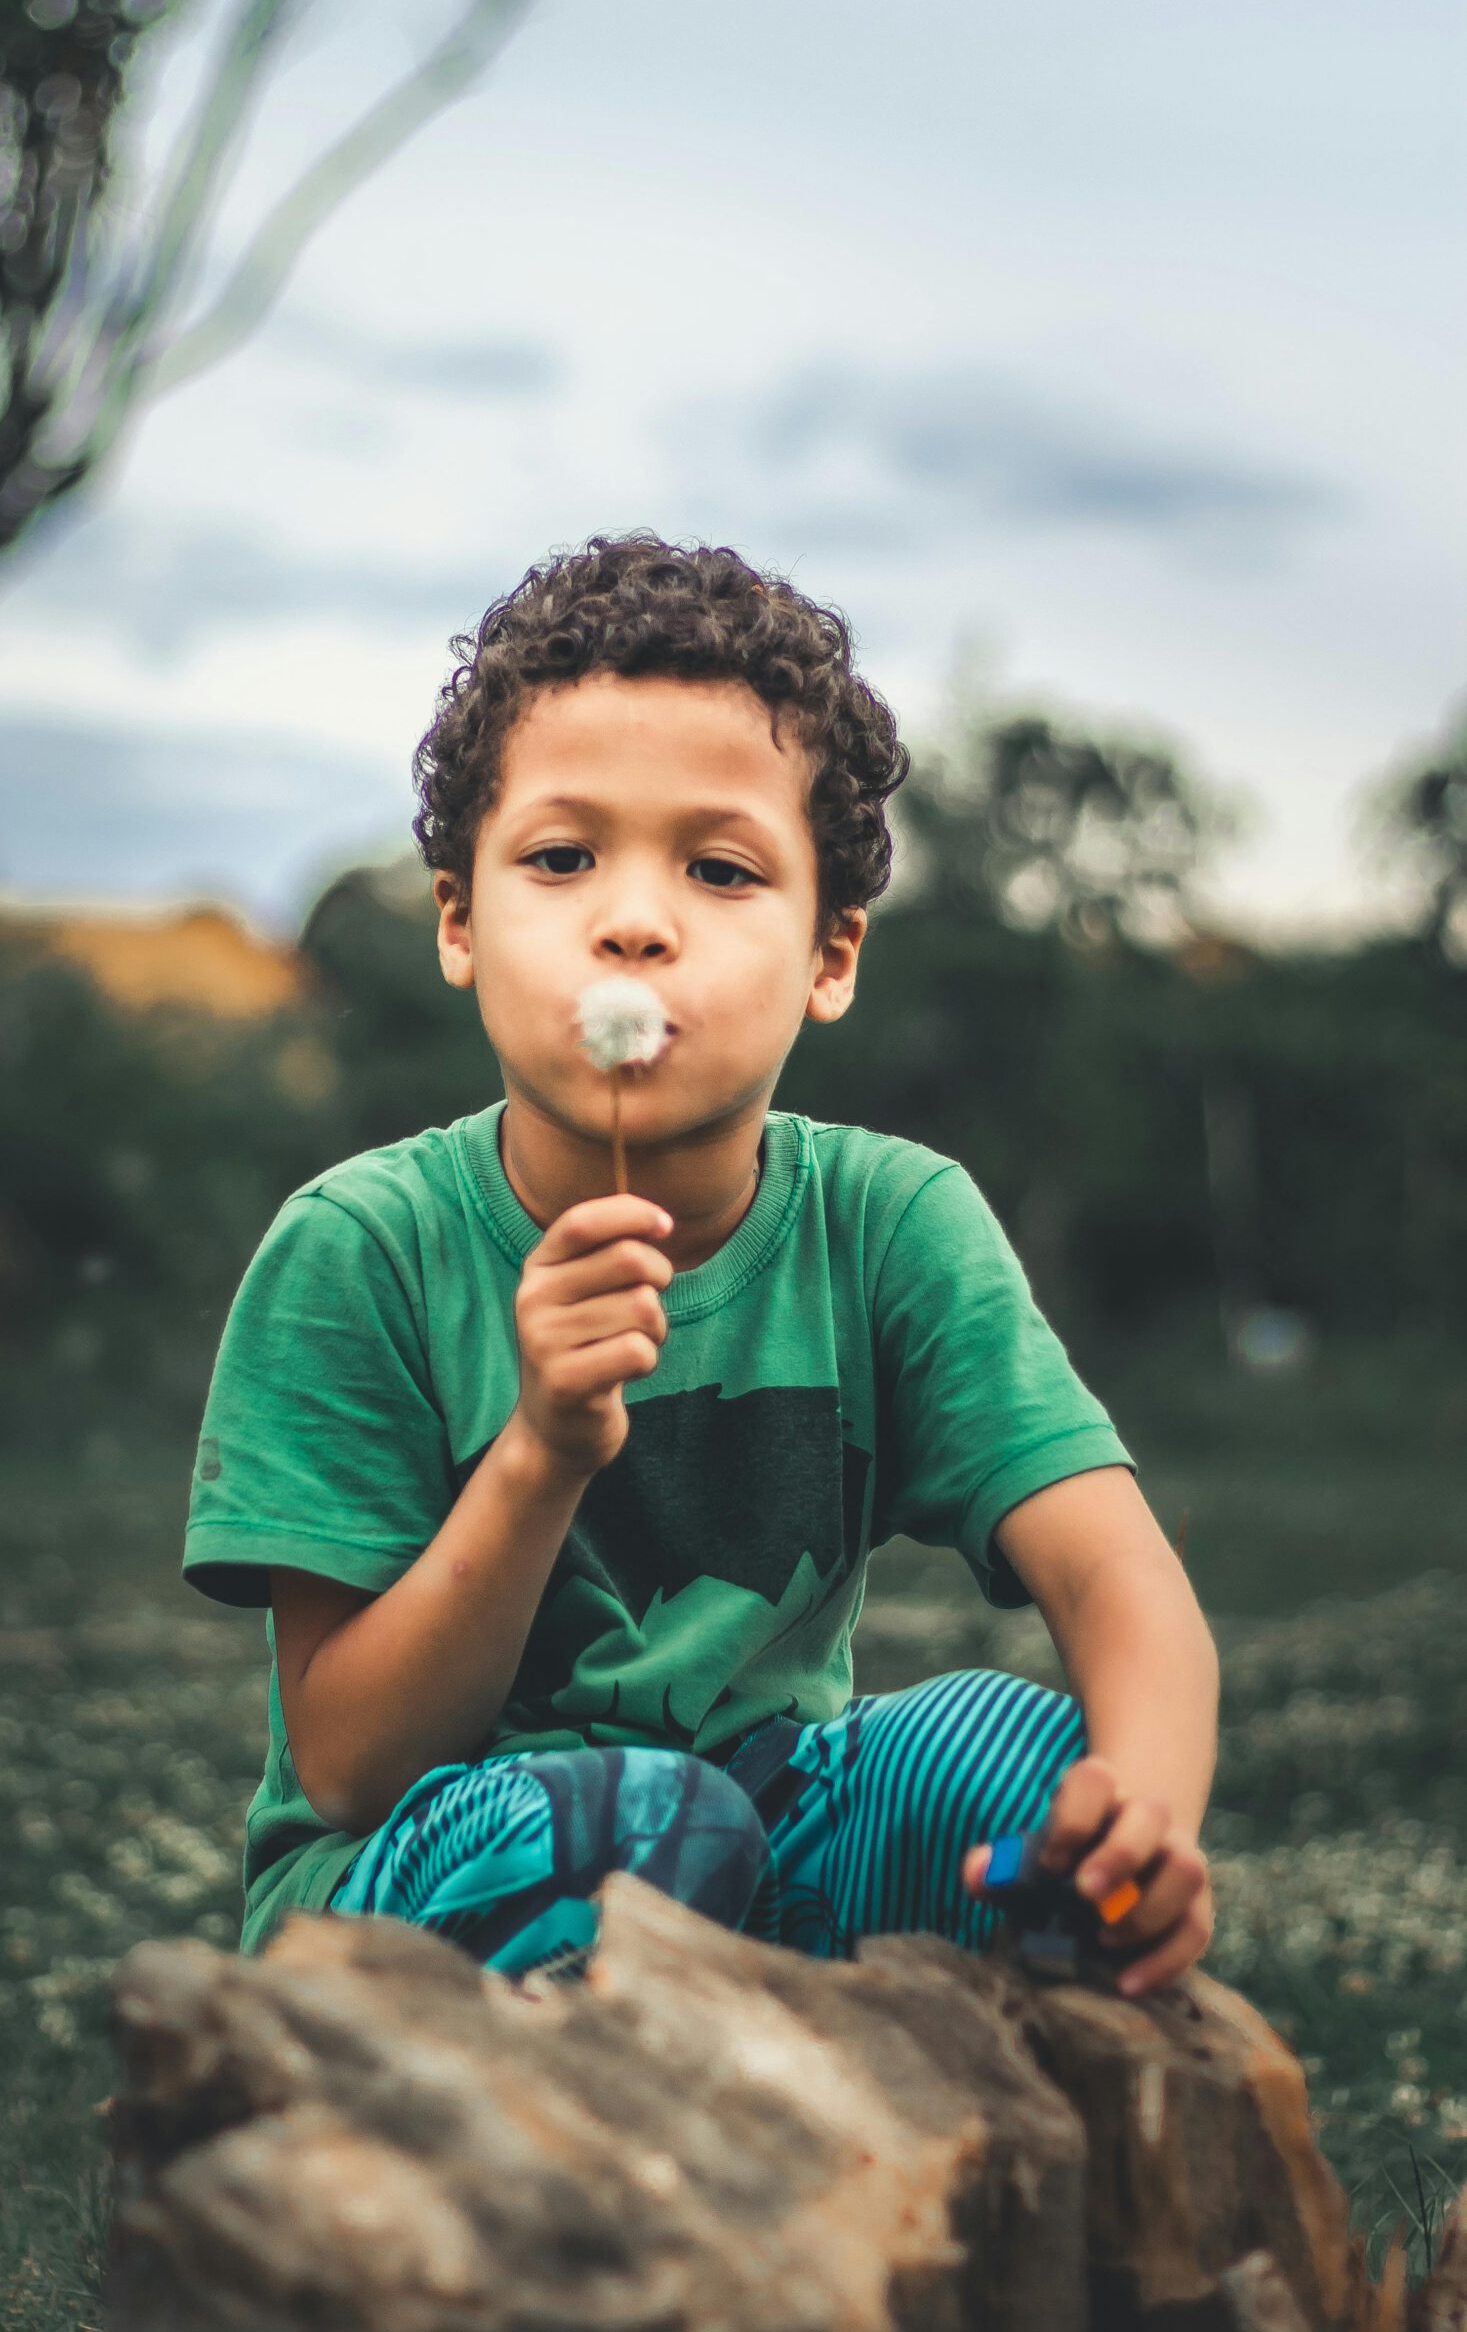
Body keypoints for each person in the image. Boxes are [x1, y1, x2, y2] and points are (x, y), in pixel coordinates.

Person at [184, 534, 1218, 1993]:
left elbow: (1119, 1578)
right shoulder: (362, 1251)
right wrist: (541, 1452)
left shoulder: (890, 1224)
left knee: (1022, 1767)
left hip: (765, 1838)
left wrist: (1146, 1814)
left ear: (830, 955)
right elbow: (350, 1764)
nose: (633, 922)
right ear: (461, 923)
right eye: (560, 859)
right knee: (640, 1828)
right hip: (413, 1891)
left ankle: (966, 2122)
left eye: (722, 869)